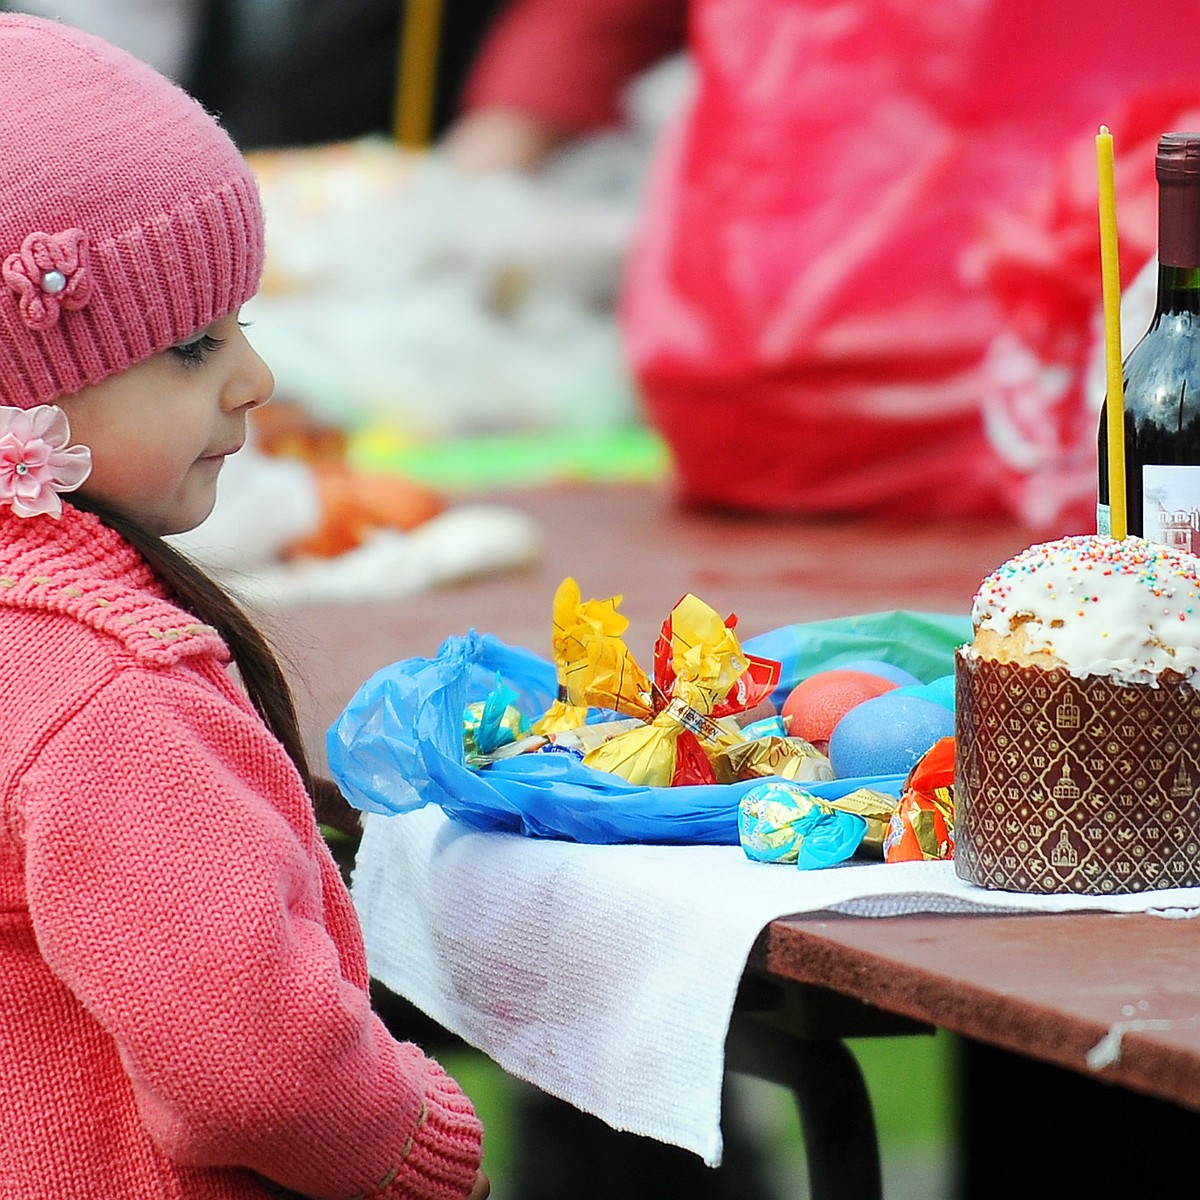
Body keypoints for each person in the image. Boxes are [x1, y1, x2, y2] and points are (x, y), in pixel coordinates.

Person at [0, 14, 489, 1200]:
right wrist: (418, 1132)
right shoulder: (106, 694)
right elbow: (256, 1073)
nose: (254, 380)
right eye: (190, 345)